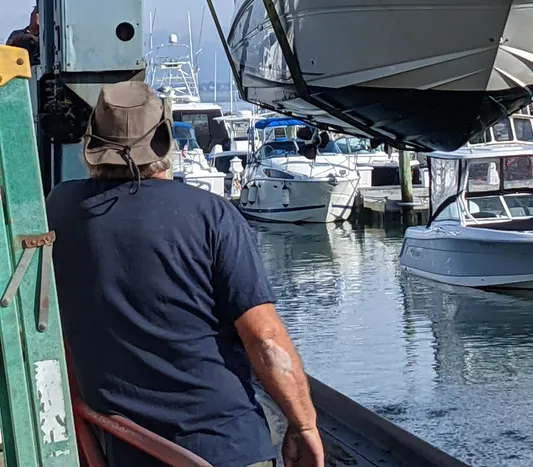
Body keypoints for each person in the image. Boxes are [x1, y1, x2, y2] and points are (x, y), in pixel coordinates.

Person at [46, 80, 324, 467]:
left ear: (91, 146)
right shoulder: (211, 214)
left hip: (125, 447)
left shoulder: (60, 208)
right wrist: (304, 425)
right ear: (163, 142)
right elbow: (265, 340)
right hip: (222, 448)